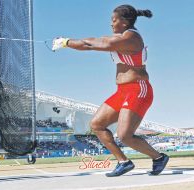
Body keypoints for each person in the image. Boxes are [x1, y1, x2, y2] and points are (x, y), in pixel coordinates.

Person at [52, 4, 169, 177]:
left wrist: (67, 42)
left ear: (125, 21)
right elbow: (94, 40)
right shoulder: (121, 36)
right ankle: (124, 162)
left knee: (124, 135)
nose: (111, 24)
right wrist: (67, 42)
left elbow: (95, 43)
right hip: (122, 91)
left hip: (138, 89)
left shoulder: (131, 38)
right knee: (97, 125)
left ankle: (158, 157)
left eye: (114, 20)